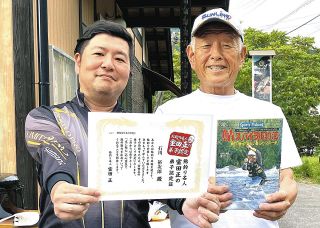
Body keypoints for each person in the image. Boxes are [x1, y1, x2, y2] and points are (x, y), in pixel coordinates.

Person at [25, 20, 220, 228]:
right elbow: (57, 155)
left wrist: (183, 201)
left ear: (129, 71)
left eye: (119, 58)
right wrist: (60, 187)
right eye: (99, 54)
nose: (108, 64)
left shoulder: (145, 128)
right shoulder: (46, 118)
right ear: (78, 62)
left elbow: (159, 175)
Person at [155, 8, 302, 228]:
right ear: (191, 55)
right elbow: (155, 183)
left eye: (226, 45)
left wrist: (287, 196)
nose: (216, 54)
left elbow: (287, 177)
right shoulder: (168, 114)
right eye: (206, 45)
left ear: (242, 55)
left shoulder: (269, 113)